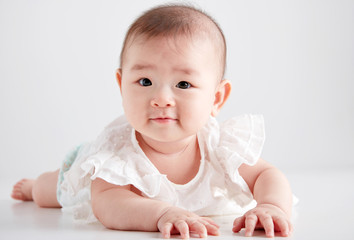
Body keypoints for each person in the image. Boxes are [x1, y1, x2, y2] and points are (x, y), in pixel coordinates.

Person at [11, 4, 293, 239]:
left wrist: (271, 205)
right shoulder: (115, 155)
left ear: (217, 98)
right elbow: (107, 203)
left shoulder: (220, 145)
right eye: (145, 81)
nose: (161, 99)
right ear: (122, 85)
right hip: (85, 173)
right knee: (53, 191)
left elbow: (267, 175)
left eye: (183, 84)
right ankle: (36, 185)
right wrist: (161, 213)